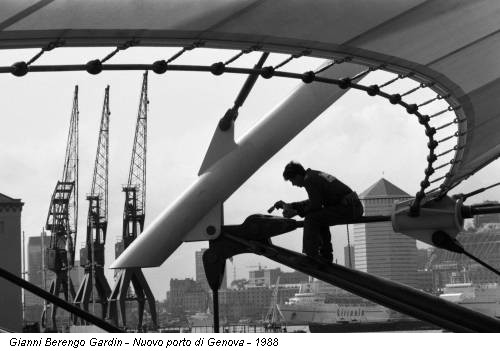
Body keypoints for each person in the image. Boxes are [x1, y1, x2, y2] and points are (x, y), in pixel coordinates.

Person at [274, 161, 363, 263]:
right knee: (318, 216)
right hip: (352, 207)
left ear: (298, 175)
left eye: (292, 180)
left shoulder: (309, 180)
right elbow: (314, 202)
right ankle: (325, 254)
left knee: (313, 218)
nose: (293, 184)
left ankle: (312, 255)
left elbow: (315, 205)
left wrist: (295, 213)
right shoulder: (313, 175)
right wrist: (291, 206)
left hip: (349, 209)